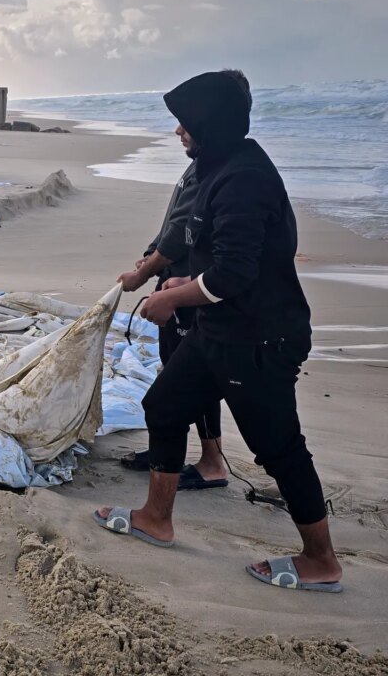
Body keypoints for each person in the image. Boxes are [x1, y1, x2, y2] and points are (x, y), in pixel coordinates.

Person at [94, 71, 343, 594]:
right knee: (163, 405)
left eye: (185, 122)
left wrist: (168, 296)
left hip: (260, 340)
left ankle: (321, 560)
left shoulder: (245, 178)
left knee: (278, 449)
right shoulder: (218, 165)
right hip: (220, 329)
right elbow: (216, 256)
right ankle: (156, 519)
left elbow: (234, 275)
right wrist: (184, 278)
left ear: (211, 122)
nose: (178, 131)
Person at [112, 75, 255, 489]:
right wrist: (152, 253)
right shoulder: (202, 166)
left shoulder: (220, 174)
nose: (178, 129)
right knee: (173, 369)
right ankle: (167, 453)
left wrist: (144, 271)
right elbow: (174, 225)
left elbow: (181, 237)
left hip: (192, 289)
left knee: (193, 376)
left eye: (186, 121)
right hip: (178, 282)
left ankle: (211, 462)